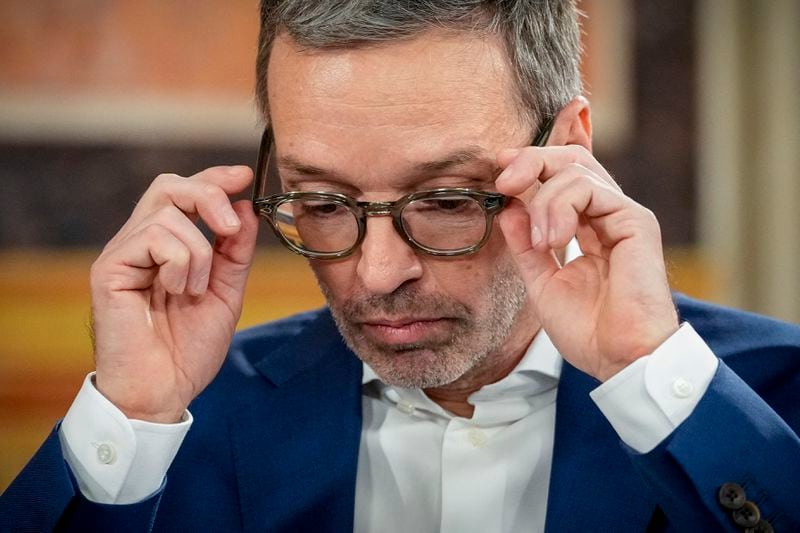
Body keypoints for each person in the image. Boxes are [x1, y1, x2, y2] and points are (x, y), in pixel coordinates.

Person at [2, 1, 799, 531]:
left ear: (569, 150)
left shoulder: (769, 403)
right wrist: (129, 415)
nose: (377, 274)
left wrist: (650, 378)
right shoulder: (178, 424)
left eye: (446, 198)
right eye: (320, 198)